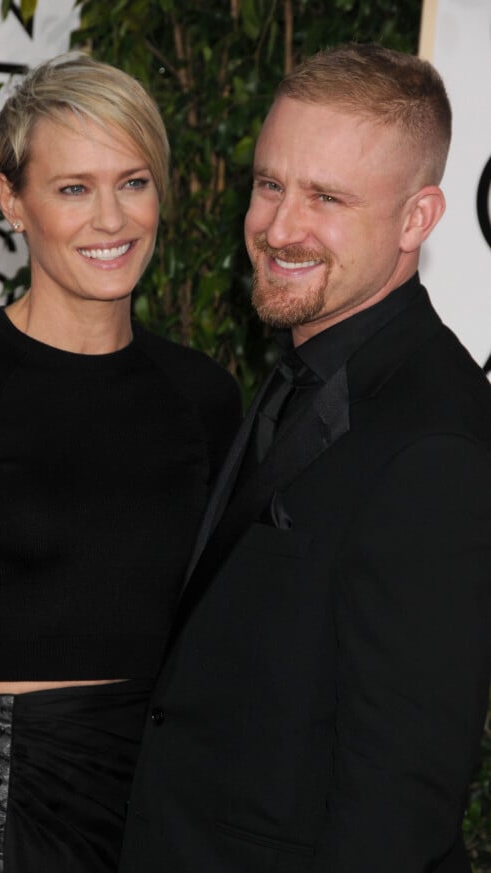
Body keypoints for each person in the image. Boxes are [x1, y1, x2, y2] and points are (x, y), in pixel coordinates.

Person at [118, 43, 491, 873]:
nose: (279, 229)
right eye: (270, 183)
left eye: (326, 197)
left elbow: (400, 804)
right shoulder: (310, 359)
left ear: (416, 219)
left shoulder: (436, 439)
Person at [0, 53, 241, 873]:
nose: (111, 218)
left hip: (162, 811)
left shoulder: (204, 398)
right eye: (72, 188)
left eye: (133, 181)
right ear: (12, 203)